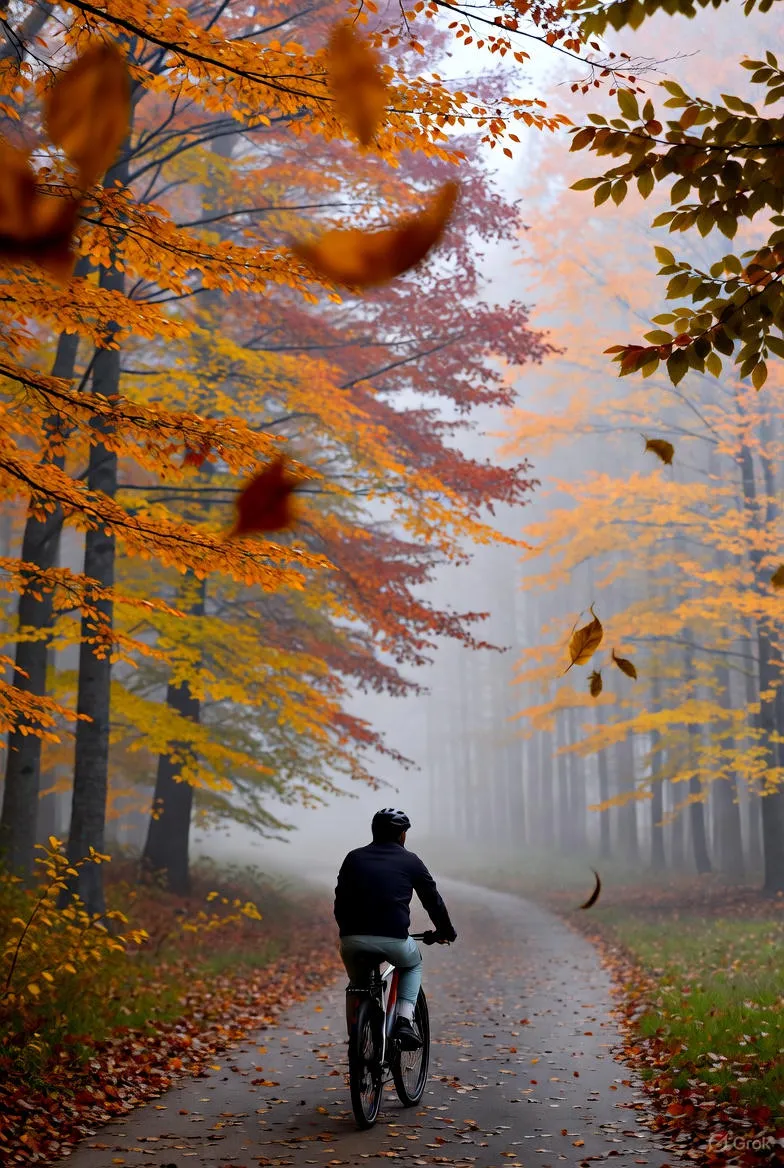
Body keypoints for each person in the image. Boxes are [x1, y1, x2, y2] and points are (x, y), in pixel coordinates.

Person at [334, 807, 457, 1050]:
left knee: (357, 985)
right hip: (394, 939)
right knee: (412, 963)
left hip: (352, 940)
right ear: (401, 835)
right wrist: (445, 931)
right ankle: (403, 1021)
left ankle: (356, 1038)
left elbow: (340, 902)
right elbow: (433, 901)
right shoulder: (410, 861)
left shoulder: (353, 858)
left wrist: (348, 931)